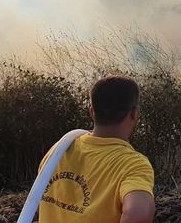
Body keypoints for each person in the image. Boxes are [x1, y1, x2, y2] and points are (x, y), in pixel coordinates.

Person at [38, 75, 155, 223]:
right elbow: (138, 215)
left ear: (92, 112)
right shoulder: (133, 165)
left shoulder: (60, 149)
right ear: (134, 114)